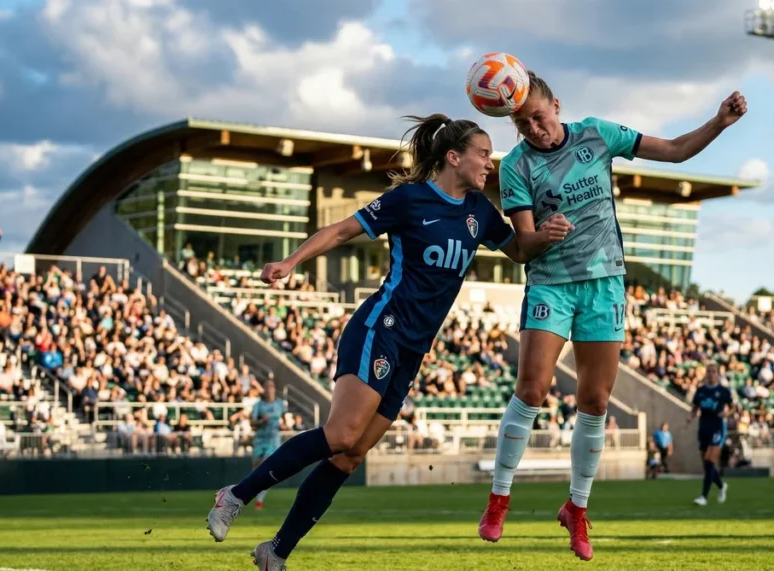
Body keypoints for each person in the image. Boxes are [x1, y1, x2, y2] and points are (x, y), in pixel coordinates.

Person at [206, 113, 573, 571]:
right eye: (482, 152)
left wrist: (546, 236)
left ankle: (275, 551)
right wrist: (291, 261)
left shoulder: (480, 210)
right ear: (453, 157)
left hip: (414, 349)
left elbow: (519, 251)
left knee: (351, 456)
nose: (489, 162)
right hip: (382, 326)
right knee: (340, 434)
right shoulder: (409, 199)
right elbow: (341, 230)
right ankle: (235, 495)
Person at [477, 70, 746, 561]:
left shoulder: (597, 134)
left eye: (537, 117)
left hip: (605, 286)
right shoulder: (515, 166)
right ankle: (498, 500)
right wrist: (544, 234)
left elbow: (676, 151)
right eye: (522, 124)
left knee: (595, 402)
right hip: (551, 285)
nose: (533, 129)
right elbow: (521, 245)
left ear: (556, 105)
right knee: (531, 389)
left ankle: (576, 511)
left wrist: (719, 123)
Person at [686, 363, 733, 506]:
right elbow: (695, 408)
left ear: (718, 374)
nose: (711, 374)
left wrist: (727, 413)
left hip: (717, 427)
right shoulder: (700, 391)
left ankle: (703, 497)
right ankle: (721, 485)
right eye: (709, 371)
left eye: (714, 371)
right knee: (706, 465)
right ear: (706, 374)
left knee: (709, 461)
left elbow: (732, 407)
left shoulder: (723, 391)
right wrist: (691, 416)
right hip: (704, 427)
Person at [249, 380, 286, 510]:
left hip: (273, 441)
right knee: (256, 471)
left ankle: (259, 500)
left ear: (274, 389)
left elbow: (285, 421)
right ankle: (251, 493)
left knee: (266, 467)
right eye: (267, 387)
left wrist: (284, 426)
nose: (269, 389)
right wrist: (261, 421)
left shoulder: (280, 404)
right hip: (260, 440)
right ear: (263, 390)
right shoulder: (258, 405)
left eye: (272, 386)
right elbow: (252, 423)